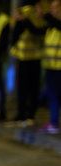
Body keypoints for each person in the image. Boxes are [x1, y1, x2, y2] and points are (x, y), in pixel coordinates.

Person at [10, 0, 47, 126]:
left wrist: (21, 21)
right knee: (33, 88)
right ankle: (30, 114)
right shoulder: (38, 12)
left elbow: (15, 34)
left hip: (23, 56)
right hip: (34, 56)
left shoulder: (24, 13)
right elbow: (40, 31)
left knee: (23, 88)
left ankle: (22, 114)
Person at [39, 0, 61, 134]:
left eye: (55, 8)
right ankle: (53, 122)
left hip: (59, 67)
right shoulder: (51, 26)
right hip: (51, 67)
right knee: (53, 96)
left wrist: (46, 15)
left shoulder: (56, 24)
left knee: (55, 95)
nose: (52, 11)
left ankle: (54, 122)